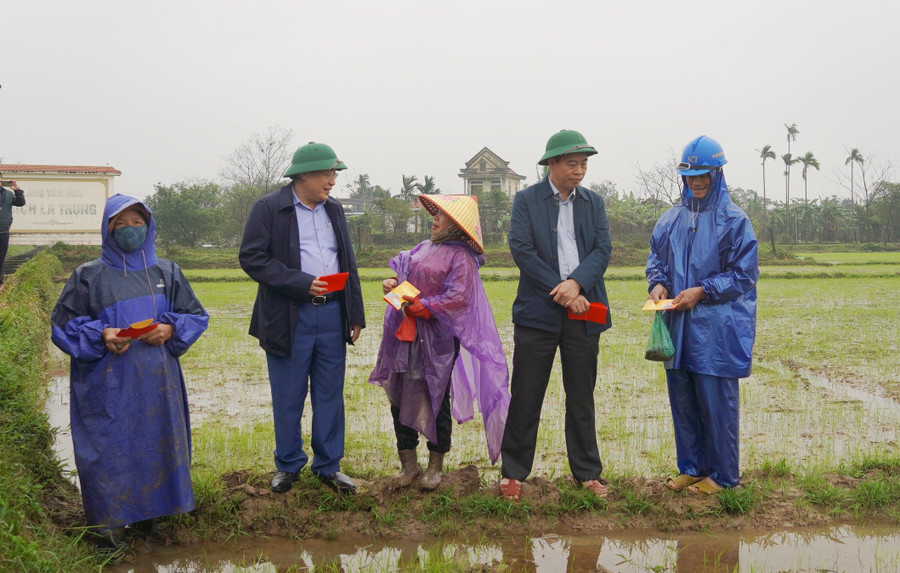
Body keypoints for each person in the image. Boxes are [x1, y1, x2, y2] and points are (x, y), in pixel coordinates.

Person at [51, 194, 209, 552]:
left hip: (157, 381)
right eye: (119, 224)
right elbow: (63, 324)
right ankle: (106, 526)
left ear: (149, 226)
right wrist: (101, 334)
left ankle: (148, 516)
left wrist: (170, 329)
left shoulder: (166, 271)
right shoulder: (88, 275)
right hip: (106, 383)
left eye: (137, 222)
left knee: (154, 442)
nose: (129, 230)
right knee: (108, 448)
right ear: (107, 231)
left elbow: (195, 314)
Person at [239, 141, 365, 494]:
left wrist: (355, 313)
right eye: (326, 174)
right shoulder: (268, 209)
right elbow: (251, 258)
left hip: (332, 314)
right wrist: (301, 284)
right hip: (288, 317)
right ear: (303, 175)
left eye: (334, 174)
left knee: (329, 393)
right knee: (289, 394)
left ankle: (328, 466)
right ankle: (289, 464)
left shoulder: (334, 210)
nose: (332, 181)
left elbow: (348, 263)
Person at [499, 130, 612, 501]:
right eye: (572, 164)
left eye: (583, 164)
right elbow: (522, 249)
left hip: (583, 310)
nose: (579, 171)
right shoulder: (527, 201)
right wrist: (562, 290)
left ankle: (587, 474)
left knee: (581, 395)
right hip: (538, 313)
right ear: (551, 163)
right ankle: (513, 474)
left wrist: (577, 283)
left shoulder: (593, 203)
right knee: (526, 394)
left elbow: (602, 249)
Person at [369, 194, 510, 490]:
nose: (435, 219)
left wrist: (428, 307)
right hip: (404, 334)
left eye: (442, 215)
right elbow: (404, 277)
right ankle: (408, 465)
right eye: (436, 214)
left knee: (435, 396)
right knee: (398, 394)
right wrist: (391, 284)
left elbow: (460, 297)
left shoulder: (462, 258)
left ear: (457, 225)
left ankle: (436, 464)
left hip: (437, 339)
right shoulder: (422, 248)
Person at [645, 135, 758, 495]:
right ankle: (692, 467)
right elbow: (656, 260)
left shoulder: (734, 220)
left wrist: (704, 290)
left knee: (716, 402)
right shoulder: (670, 219)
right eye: (690, 175)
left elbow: (744, 274)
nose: (696, 182)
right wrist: (658, 284)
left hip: (717, 330)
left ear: (717, 174)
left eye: (703, 175)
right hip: (677, 326)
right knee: (683, 398)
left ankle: (724, 477)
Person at [0, 173, 26, 284]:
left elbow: (21, 203)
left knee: (1, 257)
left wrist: (17, 190)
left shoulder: (9, 194)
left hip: (3, 230)